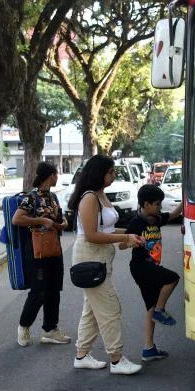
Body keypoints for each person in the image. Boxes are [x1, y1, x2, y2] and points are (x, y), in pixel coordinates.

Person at [68, 154, 145, 375]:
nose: (113, 176)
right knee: (110, 309)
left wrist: (130, 234)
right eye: (110, 172)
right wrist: (125, 238)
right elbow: (92, 235)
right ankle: (117, 359)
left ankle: (81, 356)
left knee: (92, 311)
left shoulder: (100, 195)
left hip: (101, 257)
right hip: (90, 256)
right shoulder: (90, 197)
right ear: (99, 173)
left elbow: (108, 230)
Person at [12, 162, 72, 347]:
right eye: (56, 174)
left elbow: (61, 218)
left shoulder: (53, 196)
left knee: (54, 289)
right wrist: (40, 220)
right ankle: (23, 326)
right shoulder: (31, 198)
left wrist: (63, 223)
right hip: (37, 250)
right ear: (51, 175)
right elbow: (17, 219)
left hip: (54, 247)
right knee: (39, 291)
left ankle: (50, 329)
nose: (57, 177)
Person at [124, 184, 183, 362]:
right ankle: (160, 309)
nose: (159, 207)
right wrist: (132, 241)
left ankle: (148, 348)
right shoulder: (136, 222)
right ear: (145, 204)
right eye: (157, 204)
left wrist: (185, 200)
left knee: (150, 305)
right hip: (141, 266)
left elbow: (173, 214)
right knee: (172, 278)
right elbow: (122, 243)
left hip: (150, 266)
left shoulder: (156, 219)